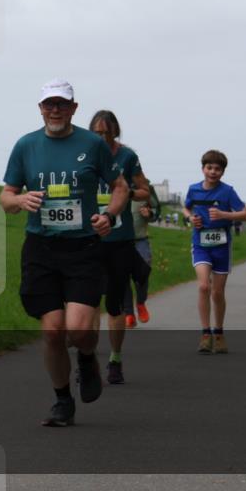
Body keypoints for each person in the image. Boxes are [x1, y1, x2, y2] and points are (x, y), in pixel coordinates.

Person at [0, 79, 127, 426]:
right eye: (48, 104)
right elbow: (5, 196)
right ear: (40, 108)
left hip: (83, 247)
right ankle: (61, 400)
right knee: (53, 331)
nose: (54, 110)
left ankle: (87, 359)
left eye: (62, 104)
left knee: (78, 331)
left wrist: (110, 215)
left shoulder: (92, 145)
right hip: (41, 248)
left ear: (74, 108)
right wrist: (19, 199)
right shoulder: (26, 146)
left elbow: (120, 187)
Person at [89, 110, 151, 384]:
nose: (102, 137)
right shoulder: (84, 155)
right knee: (88, 302)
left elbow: (144, 191)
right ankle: (86, 359)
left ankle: (115, 359)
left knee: (114, 306)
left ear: (115, 132)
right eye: (97, 133)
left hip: (119, 239)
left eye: (106, 133)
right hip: (88, 239)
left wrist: (126, 192)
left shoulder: (128, 157)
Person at [183, 150, 246, 354]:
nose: (213, 172)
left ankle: (219, 332)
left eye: (217, 169)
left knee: (218, 292)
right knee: (204, 286)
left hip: (222, 246)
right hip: (201, 244)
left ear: (222, 172)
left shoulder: (227, 191)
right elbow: (186, 208)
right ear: (203, 168)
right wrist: (190, 218)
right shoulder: (193, 189)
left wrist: (224, 214)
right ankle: (205, 334)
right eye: (209, 167)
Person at [123, 184, 161, 329]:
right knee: (122, 276)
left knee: (143, 273)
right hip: (120, 240)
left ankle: (140, 303)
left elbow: (157, 209)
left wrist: (150, 213)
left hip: (140, 240)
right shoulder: (111, 183)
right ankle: (129, 314)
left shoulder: (146, 188)